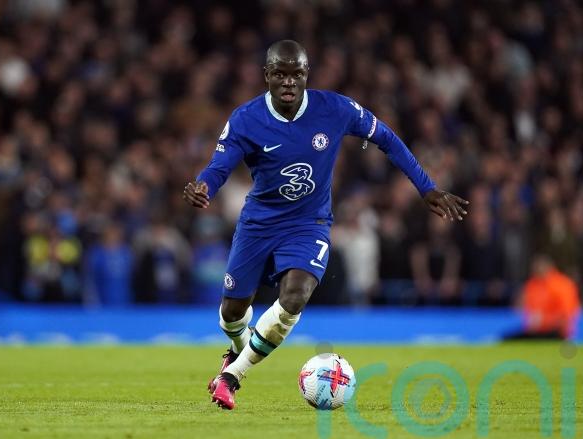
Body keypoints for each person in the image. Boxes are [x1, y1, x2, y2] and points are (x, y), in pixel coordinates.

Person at [182, 40, 469, 410]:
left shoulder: (335, 108)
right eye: (280, 74)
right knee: (231, 313)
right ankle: (237, 352)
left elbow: (386, 138)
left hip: (309, 223)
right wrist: (203, 186)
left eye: (296, 74)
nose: (288, 81)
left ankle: (232, 376)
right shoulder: (246, 119)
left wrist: (426, 187)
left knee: (295, 296)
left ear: (306, 75)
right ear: (266, 75)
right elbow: (219, 167)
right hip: (259, 223)